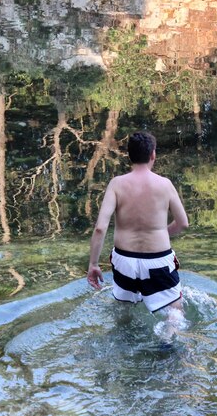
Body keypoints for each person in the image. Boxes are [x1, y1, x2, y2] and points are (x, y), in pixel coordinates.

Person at [86, 131, 189, 337]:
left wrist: (93, 264)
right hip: (158, 261)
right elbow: (183, 223)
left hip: (124, 260)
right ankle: (169, 346)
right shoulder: (165, 184)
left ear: (129, 156)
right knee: (175, 309)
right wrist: (160, 233)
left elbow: (100, 228)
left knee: (123, 309)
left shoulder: (116, 184)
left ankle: (123, 342)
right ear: (153, 155)